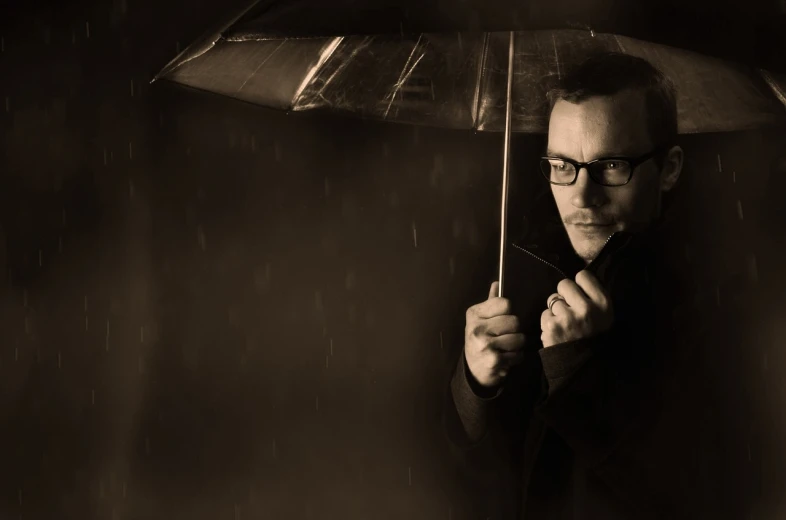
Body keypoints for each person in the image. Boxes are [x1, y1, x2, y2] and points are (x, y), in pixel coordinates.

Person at [443, 52, 758, 519]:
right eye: (563, 166)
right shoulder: (527, 275)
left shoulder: (721, 306)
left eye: (611, 166)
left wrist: (578, 374)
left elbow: (705, 495)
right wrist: (475, 383)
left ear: (669, 168)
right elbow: (464, 479)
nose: (581, 197)